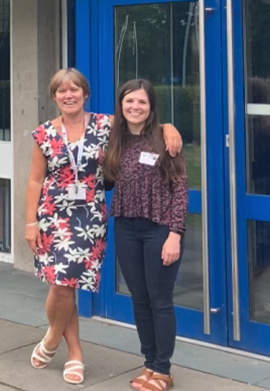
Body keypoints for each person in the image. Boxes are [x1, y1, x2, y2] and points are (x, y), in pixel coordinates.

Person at [25, 68, 181, 386]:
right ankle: (71, 350)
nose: (69, 95)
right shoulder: (44, 133)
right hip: (54, 214)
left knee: (67, 283)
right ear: (53, 96)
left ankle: (54, 341)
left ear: (86, 93)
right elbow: (34, 179)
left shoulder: (105, 125)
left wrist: (167, 127)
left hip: (90, 218)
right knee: (62, 284)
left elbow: (140, 120)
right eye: (61, 90)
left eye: (75, 89)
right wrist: (30, 222)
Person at [104, 79, 189, 391]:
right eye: (129, 101)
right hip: (126, 227)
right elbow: (106, 181)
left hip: (159, 230)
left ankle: (163, 370)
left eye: (141, 102)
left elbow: (180, 191)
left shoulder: (167, 141)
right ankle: (148, 363)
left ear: (151, 107)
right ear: (121, 105)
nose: (135, 107)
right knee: (139, 299)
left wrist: (175, 235)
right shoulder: (115, 139)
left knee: (160, 301)